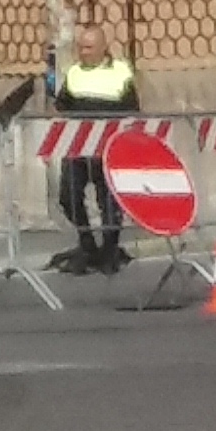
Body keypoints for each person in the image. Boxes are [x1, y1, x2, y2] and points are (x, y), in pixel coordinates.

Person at [50, 22, 139, 274]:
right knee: (68, 197)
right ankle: (87, 244)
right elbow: (62, 107)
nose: (84, 52)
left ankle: (109, 252)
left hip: (109, 150)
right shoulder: (75, 72)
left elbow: (133, 111)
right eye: (81, 47)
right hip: (78, 149)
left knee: (109, 202)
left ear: (103, 47)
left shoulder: (121, 72)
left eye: (89, 47)